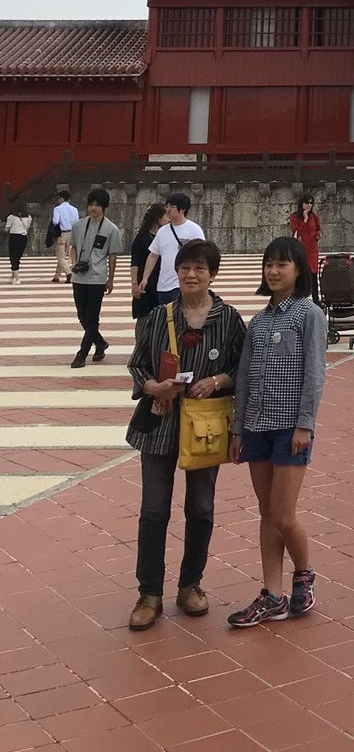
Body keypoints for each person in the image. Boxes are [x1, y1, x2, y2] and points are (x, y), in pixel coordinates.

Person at [125, 238, 246, 631]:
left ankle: (191, 584)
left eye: (200, 268)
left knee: (201, 508)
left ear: (213, 274)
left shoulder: (228, 319)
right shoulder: (160, 317)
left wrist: (215, 381)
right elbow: (137, 364)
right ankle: (150, 593)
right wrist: (152, 387)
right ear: (175, 272)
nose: (191, 275)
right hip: (160, 423)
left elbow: (241, 369)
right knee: (154, 510)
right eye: (185, 268)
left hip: (206, 425)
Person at [229, 237, 327, 627]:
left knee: (284, 514)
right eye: (268, 264)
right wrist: (238, 428)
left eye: (282, 264)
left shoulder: (308, 314)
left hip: (291, 428)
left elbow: (315, 373)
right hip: (256, 426)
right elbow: (244, 380)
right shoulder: (258, 322)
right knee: (267, 512)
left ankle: (304, 573)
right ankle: (272, 594)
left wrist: (305, 423)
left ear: (298, 270)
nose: (273, 271)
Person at [68, 187, 124, 368]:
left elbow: (112, 256)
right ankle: (100, 343)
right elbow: (73, 247)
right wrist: (75, 263)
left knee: (92, 317)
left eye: (97, 205)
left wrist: (111, 279)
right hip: (79, 277)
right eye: (91, 204)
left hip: (97, 278)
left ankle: (81, 353)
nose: (93, 208)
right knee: (82, 316)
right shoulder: (78, 225)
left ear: (104, 207)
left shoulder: (111, 229)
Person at [137, 192, 205, 308]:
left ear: (182, 209)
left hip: (182, 283)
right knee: (166, 319)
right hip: (163, 285)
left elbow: (202, 255)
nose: (167, 210)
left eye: (172, 207)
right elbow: (153, 255)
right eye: (167, 206)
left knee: (181, 316)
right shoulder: (162, 231)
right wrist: (145, 278)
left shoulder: (194, 230)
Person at [130, 203, 168, 324]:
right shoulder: (141, 238)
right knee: (144, 318)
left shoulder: (165, 236)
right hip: (145, 284)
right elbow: (134, 263)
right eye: (165, 215)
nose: (168, 218)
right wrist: (134, 284)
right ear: (157, 217)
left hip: (162, 281)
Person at [289, 194, 321, 282]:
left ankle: (315, 295)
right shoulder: (294, 217)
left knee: (313, 273)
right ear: (301, 203)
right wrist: (305, 219)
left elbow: (318, 229)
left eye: (311, 203)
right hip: (301, 249)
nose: (309, 205)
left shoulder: (314, 216)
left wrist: (318, 234)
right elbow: (296, 233)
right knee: (301, 273)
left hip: (312, 249)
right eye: (307, 202)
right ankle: (301, 294)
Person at [51, 186, 79, 284]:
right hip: (71, 233)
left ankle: (68, 273)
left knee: (60, 256)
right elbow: (77, 222)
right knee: (64, 255)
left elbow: (55, 221)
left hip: (61, 234)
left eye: (59, 198)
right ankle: (57, 275)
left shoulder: (57, 209)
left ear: (62, 198)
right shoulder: (74, 209)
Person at [5, 202, 32, 283]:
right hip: (23, 238)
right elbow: (28, 227)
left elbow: (6, 229)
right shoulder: (29, 217)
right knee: (18, 257)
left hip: (14, 237)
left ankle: (17, 278)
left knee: (13, 257)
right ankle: (13, 276)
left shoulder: (11, 217)